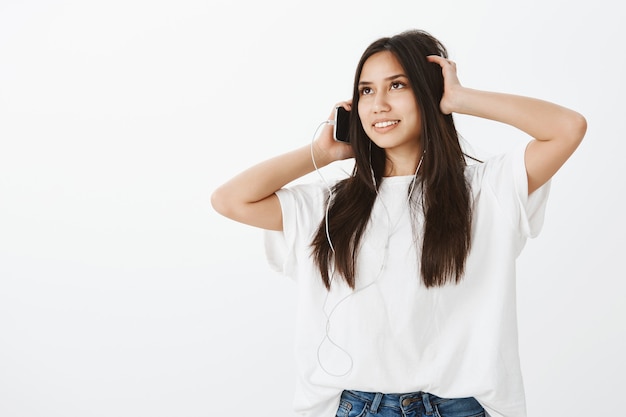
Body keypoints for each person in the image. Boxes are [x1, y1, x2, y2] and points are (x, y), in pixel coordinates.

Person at [211, 29, 586, 417]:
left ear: (430, 91)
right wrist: (321, 152)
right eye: (366, 91)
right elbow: (229, 199)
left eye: (397, 85)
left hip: (459, 408)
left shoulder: (486, 190)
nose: (379, 104)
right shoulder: (329, 205)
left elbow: (567, 128)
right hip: (354, 407)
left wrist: (460, 98)